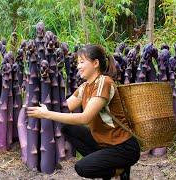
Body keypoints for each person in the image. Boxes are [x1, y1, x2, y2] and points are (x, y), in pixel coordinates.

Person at [27, 44, 140, 180]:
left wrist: (46, 114)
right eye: (77, 63)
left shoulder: (104, 83)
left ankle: (120, 169)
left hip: (123, 147)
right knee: (66, 127)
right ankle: (107, 164)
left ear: (96, 63)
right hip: (104, 144)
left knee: (82, 168)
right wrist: (40, 102)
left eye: (82, 62)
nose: (78, 66)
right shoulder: (85, 87)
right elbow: (64, 108)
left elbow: (85, 118)